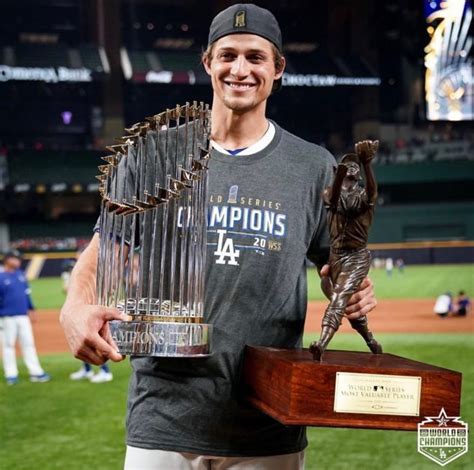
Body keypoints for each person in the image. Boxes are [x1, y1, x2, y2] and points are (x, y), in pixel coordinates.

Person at [60, 4, 376, 469]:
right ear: (208, 62)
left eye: (255, 57)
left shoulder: (314, 167)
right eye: (228, 55)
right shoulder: (154, 154)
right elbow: (106, 247)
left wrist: (349, 287)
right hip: (163, 415)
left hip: (267, 419)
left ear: (278, 68)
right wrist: (74, 305)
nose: (240, 70)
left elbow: (337, 264)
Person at [309, 141, 382, 360]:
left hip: (357, 256)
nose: (350, 170)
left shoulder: (362, 197)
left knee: (339, 296)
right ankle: (370, 339)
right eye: (346, 170)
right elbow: (332, 198)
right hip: (336, 255)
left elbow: (372, 193)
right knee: (348, 304)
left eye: (354, 170)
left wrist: (367, 164)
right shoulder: (330, 194)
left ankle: (321, 344)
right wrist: (338, 175)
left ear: (358, 176)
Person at [0, 250, 50, 385]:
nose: (18, 261)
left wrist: (31, 310)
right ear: (7, 260)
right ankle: (11, 374)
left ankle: (36, 372)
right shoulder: (1, 277)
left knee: (28, 344)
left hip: (23, 316)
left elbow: (27, 294)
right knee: (8, 346)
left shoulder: (21, 275)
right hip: (7, 317)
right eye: (16, 258)